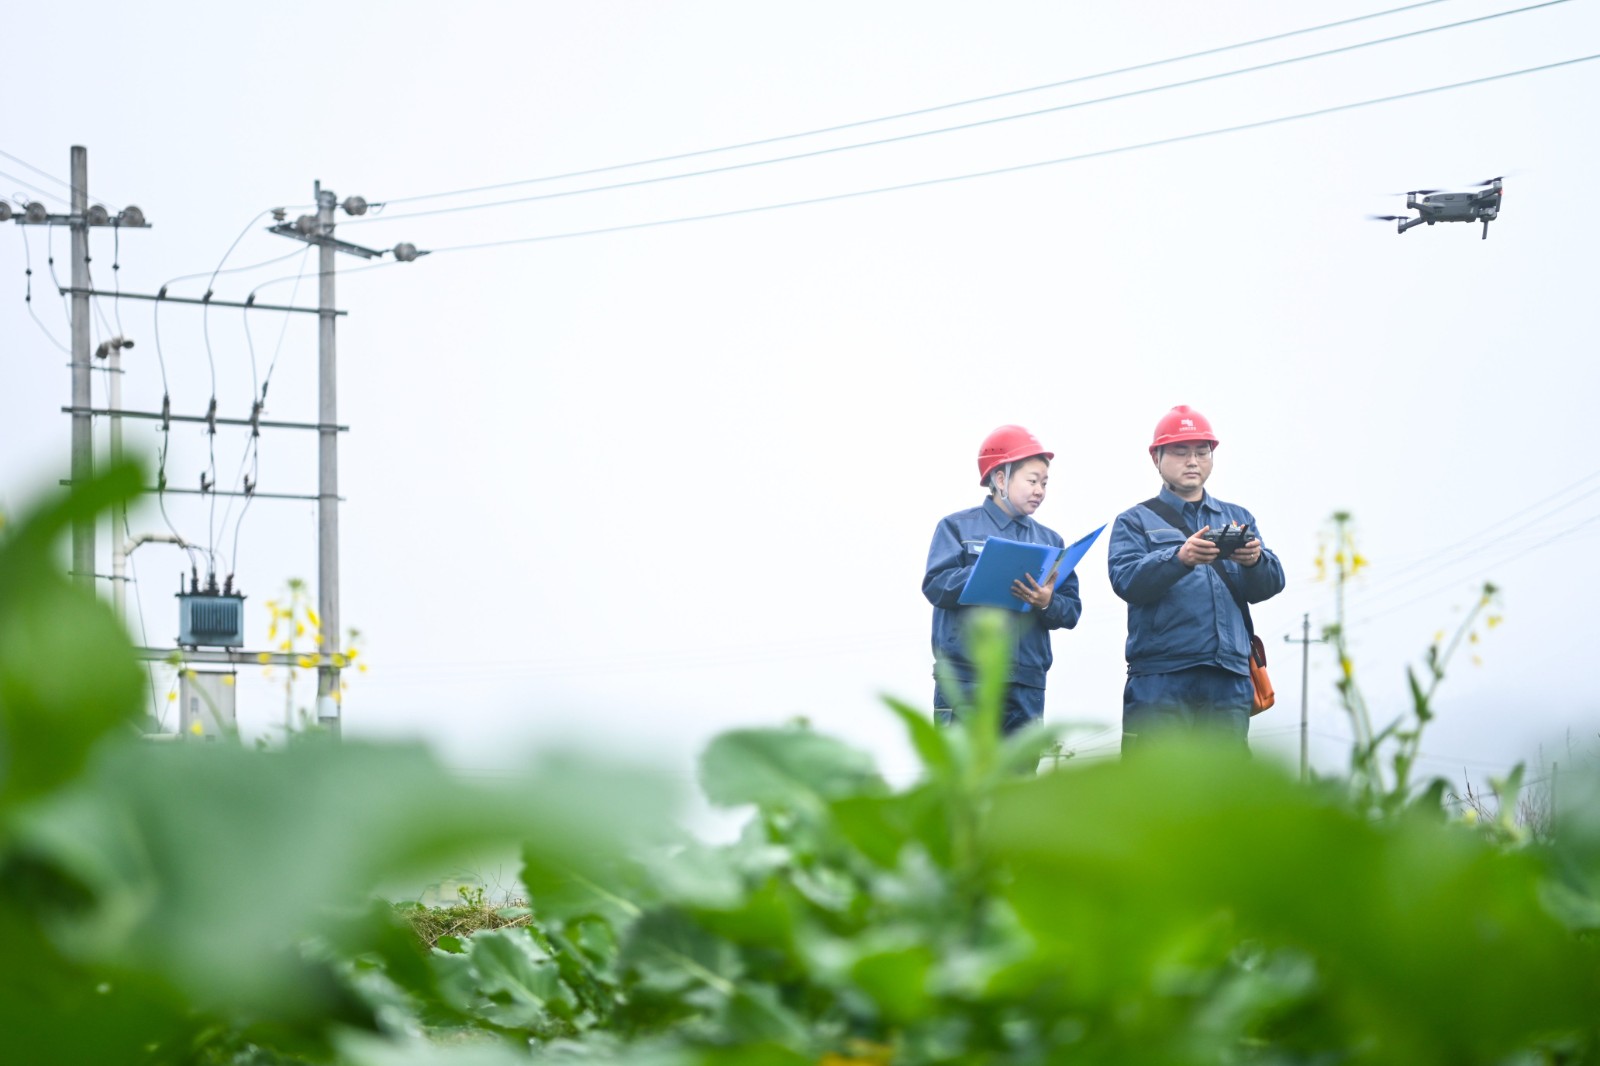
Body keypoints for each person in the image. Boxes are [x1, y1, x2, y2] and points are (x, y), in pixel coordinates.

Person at [1108, 405, 1285, 750]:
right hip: (1161, 677)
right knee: (1154, 786)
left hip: (1228, 676)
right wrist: (1179, 558)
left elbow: (1272, 582)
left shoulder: (1237, 517)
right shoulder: (1134, 521)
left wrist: (1254, 561)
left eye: (1201, 452)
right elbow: (1125, 580)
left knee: (1223, 792)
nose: (1193, 461)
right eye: (1180, 451)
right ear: (1156, 457)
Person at [922, 425, 1083, 734]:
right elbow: (935, 584)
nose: (1040, 490)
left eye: (1045, 483)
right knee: (965, 779)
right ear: (1000, 479)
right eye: (1032, 481)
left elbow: (1071, 609)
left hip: (1026, 683)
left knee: (1020, 780)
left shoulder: (1049, 541)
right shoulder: (957, 528)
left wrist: (1047, 602)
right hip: (965, 681)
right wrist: (987, 573)